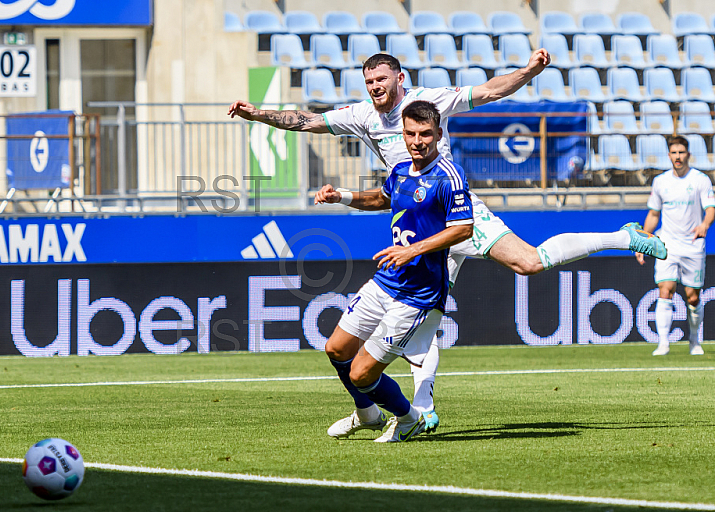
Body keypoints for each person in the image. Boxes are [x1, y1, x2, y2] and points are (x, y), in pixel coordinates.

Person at [228, 53, 667, 437]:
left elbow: (490, 91)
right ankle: (420, 410)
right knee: (425, 321)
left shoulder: (432, 100)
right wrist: (257, 114)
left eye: (381, 80)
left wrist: (530, 71)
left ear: (401, 78)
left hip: (457, 214)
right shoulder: (364, 115)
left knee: (529, 263)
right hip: (415, 222)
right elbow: (305, 121)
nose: (375, 88)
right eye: (368, 83)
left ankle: (622, 236)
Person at [313, 100, 474, 442]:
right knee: (336, 349)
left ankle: (408, 418)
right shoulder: (401, 170)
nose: (418, 141)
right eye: (411, 133)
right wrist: (339, 196)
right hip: (385, 282)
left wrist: (412, 250)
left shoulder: (449, 176)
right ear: (403, 134)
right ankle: (368, 413)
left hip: (417, 295)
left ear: (438, 134)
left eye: (426, 134)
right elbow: (380, 199)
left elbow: (464, 228)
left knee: (361, 372)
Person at [635, 135, 715, 356]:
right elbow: (653, 214)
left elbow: (710, 208)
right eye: (674, 153)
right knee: (665, 289)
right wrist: (644, 241)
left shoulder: (700, 180)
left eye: (681, 152)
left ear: (688, 154)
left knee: (693, 296)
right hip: (667, 245)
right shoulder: (661, 181)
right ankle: (663, 343)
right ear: (669, 155)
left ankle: (694, 341)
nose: (678, 157)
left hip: (692, 245)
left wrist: (704, 225)